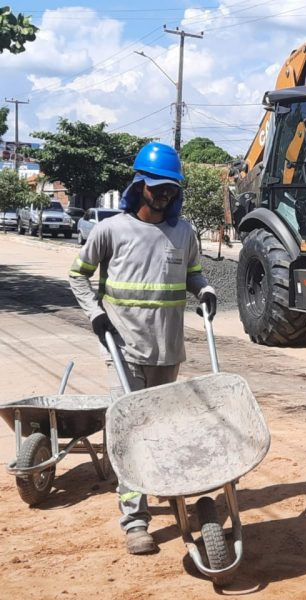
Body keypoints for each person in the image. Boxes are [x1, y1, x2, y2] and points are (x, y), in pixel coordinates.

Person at [68, 142, 217, 554]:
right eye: (156, 187)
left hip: (166, 350)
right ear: (139, 186)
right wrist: (95, 315)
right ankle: (135, 520)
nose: (163, 194)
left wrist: (203, 290)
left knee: (161, 429)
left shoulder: (183, 232)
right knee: (131, 432)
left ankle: (168, 489)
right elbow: (77, 276)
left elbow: (194, 274)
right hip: (122, 349)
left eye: (170, 188)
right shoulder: (110, 230)